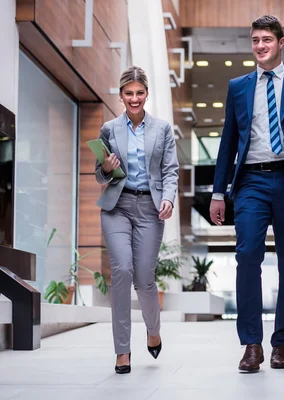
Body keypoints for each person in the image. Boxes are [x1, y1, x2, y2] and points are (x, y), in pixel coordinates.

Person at [210, 15, 284, 373]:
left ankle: (281, 344)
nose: (260, 46)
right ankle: (251, 344)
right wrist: (218, 191)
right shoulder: (238, 87)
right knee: (247, 256)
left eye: (266, 39)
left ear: (281, 42)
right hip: (251, 182)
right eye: (255, 40)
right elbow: (227, 141)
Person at [95, 66, 179, 374]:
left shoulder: (162, 129)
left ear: (146, 94)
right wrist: (105, 166)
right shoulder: (109, 129)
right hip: (117, 206)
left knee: (144, 277)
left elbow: (171, 170)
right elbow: (99, 173)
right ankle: (122, 351)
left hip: (150, 208)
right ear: (120, 96)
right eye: (128, 93)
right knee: (122, 271)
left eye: (139, 93)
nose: (134, 99)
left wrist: (168, 197)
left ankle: (153, 329)